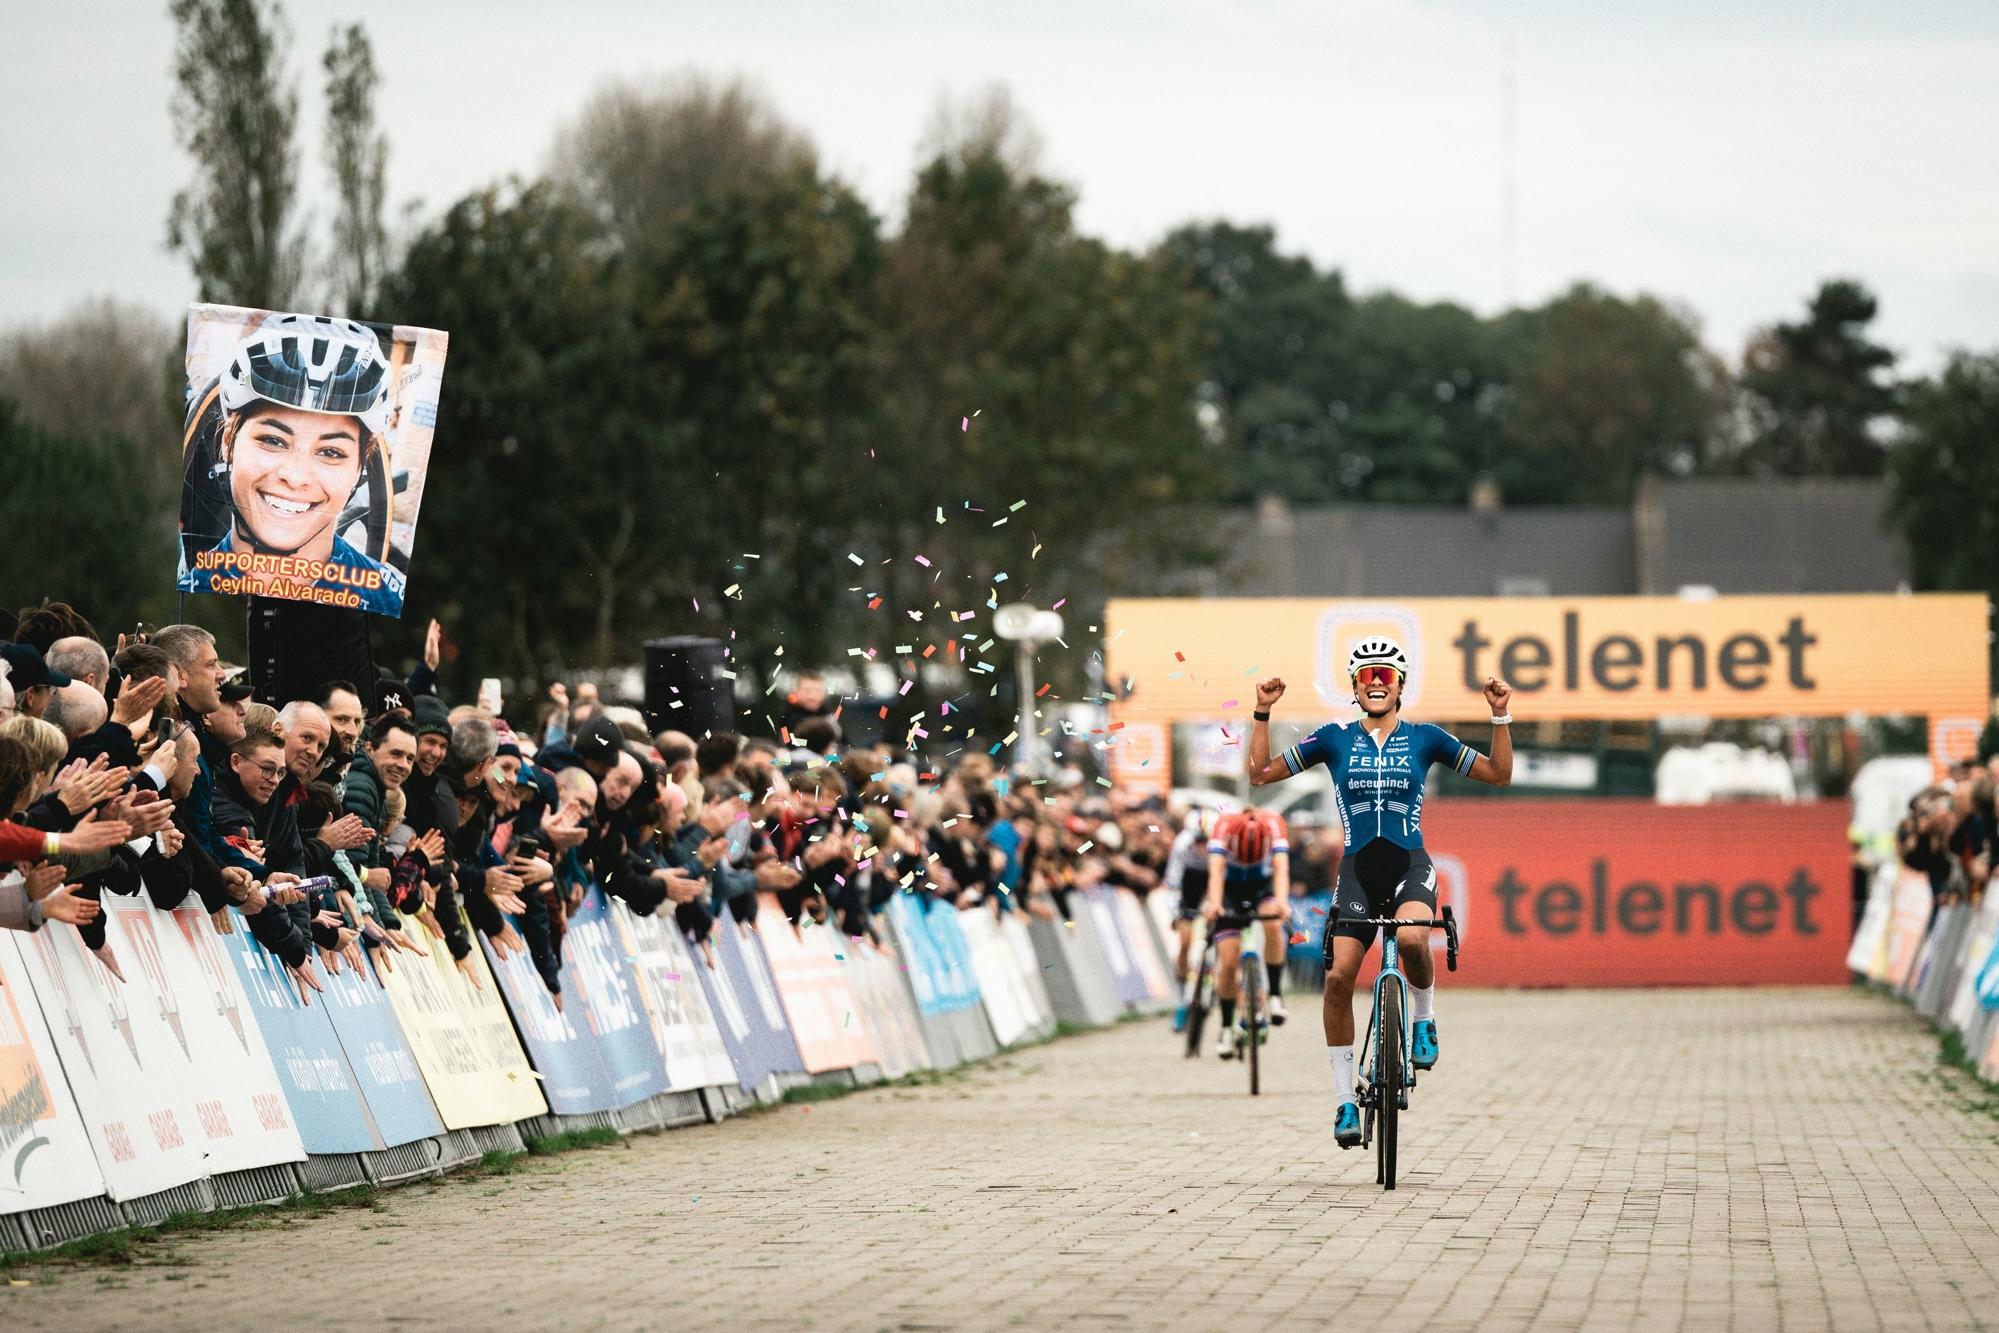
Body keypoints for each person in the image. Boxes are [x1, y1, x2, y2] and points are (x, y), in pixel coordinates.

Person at [1244, 637, 1513, 1148]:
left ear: (1400, 686)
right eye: (1366, 676)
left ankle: (1424, 1021)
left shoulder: (1426, 738)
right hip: (1357, 871)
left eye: (1384, 676)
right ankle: (1346, 1099)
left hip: (1409, 863)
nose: (1375, 683)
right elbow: (1260, 775)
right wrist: (1261, 712)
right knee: (1339, 978)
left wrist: (1499, 717)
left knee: (1413, 941)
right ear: (1354, 687)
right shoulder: (1334, 738)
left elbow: (1499, 775)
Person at [177, 314, 405, 615]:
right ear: (228, 440)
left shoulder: (390, 599)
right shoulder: (189, 598)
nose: (295, 477)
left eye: (331, 452)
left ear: (360, 467)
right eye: (273, 441)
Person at [1201, 807, 1292, 1057]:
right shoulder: (1222, 827)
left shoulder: (1274, 823)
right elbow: (1216, 872)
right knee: (1228, 961)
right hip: (1230, 889)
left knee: (1273, 923)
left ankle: (1274, 995)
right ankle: (1226, 1027)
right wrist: (1215, 904)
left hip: (1261, 886)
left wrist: (1282, 903)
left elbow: (1281, 869)